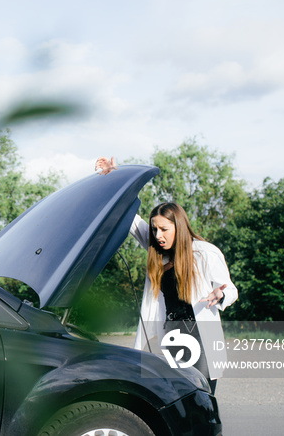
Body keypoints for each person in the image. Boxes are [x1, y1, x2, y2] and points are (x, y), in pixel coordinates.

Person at [95, 156, 237, 393]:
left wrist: (220, 296)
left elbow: (230, 289)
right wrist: (114, 178)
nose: (158, 235)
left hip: (200, 334)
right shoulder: (157, 251)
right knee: (172, 398)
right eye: (154, 229)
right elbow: (128, 217)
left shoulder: (204, 253)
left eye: (164, 229)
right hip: (171, 334)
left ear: (178, 228)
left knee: (200, 395)